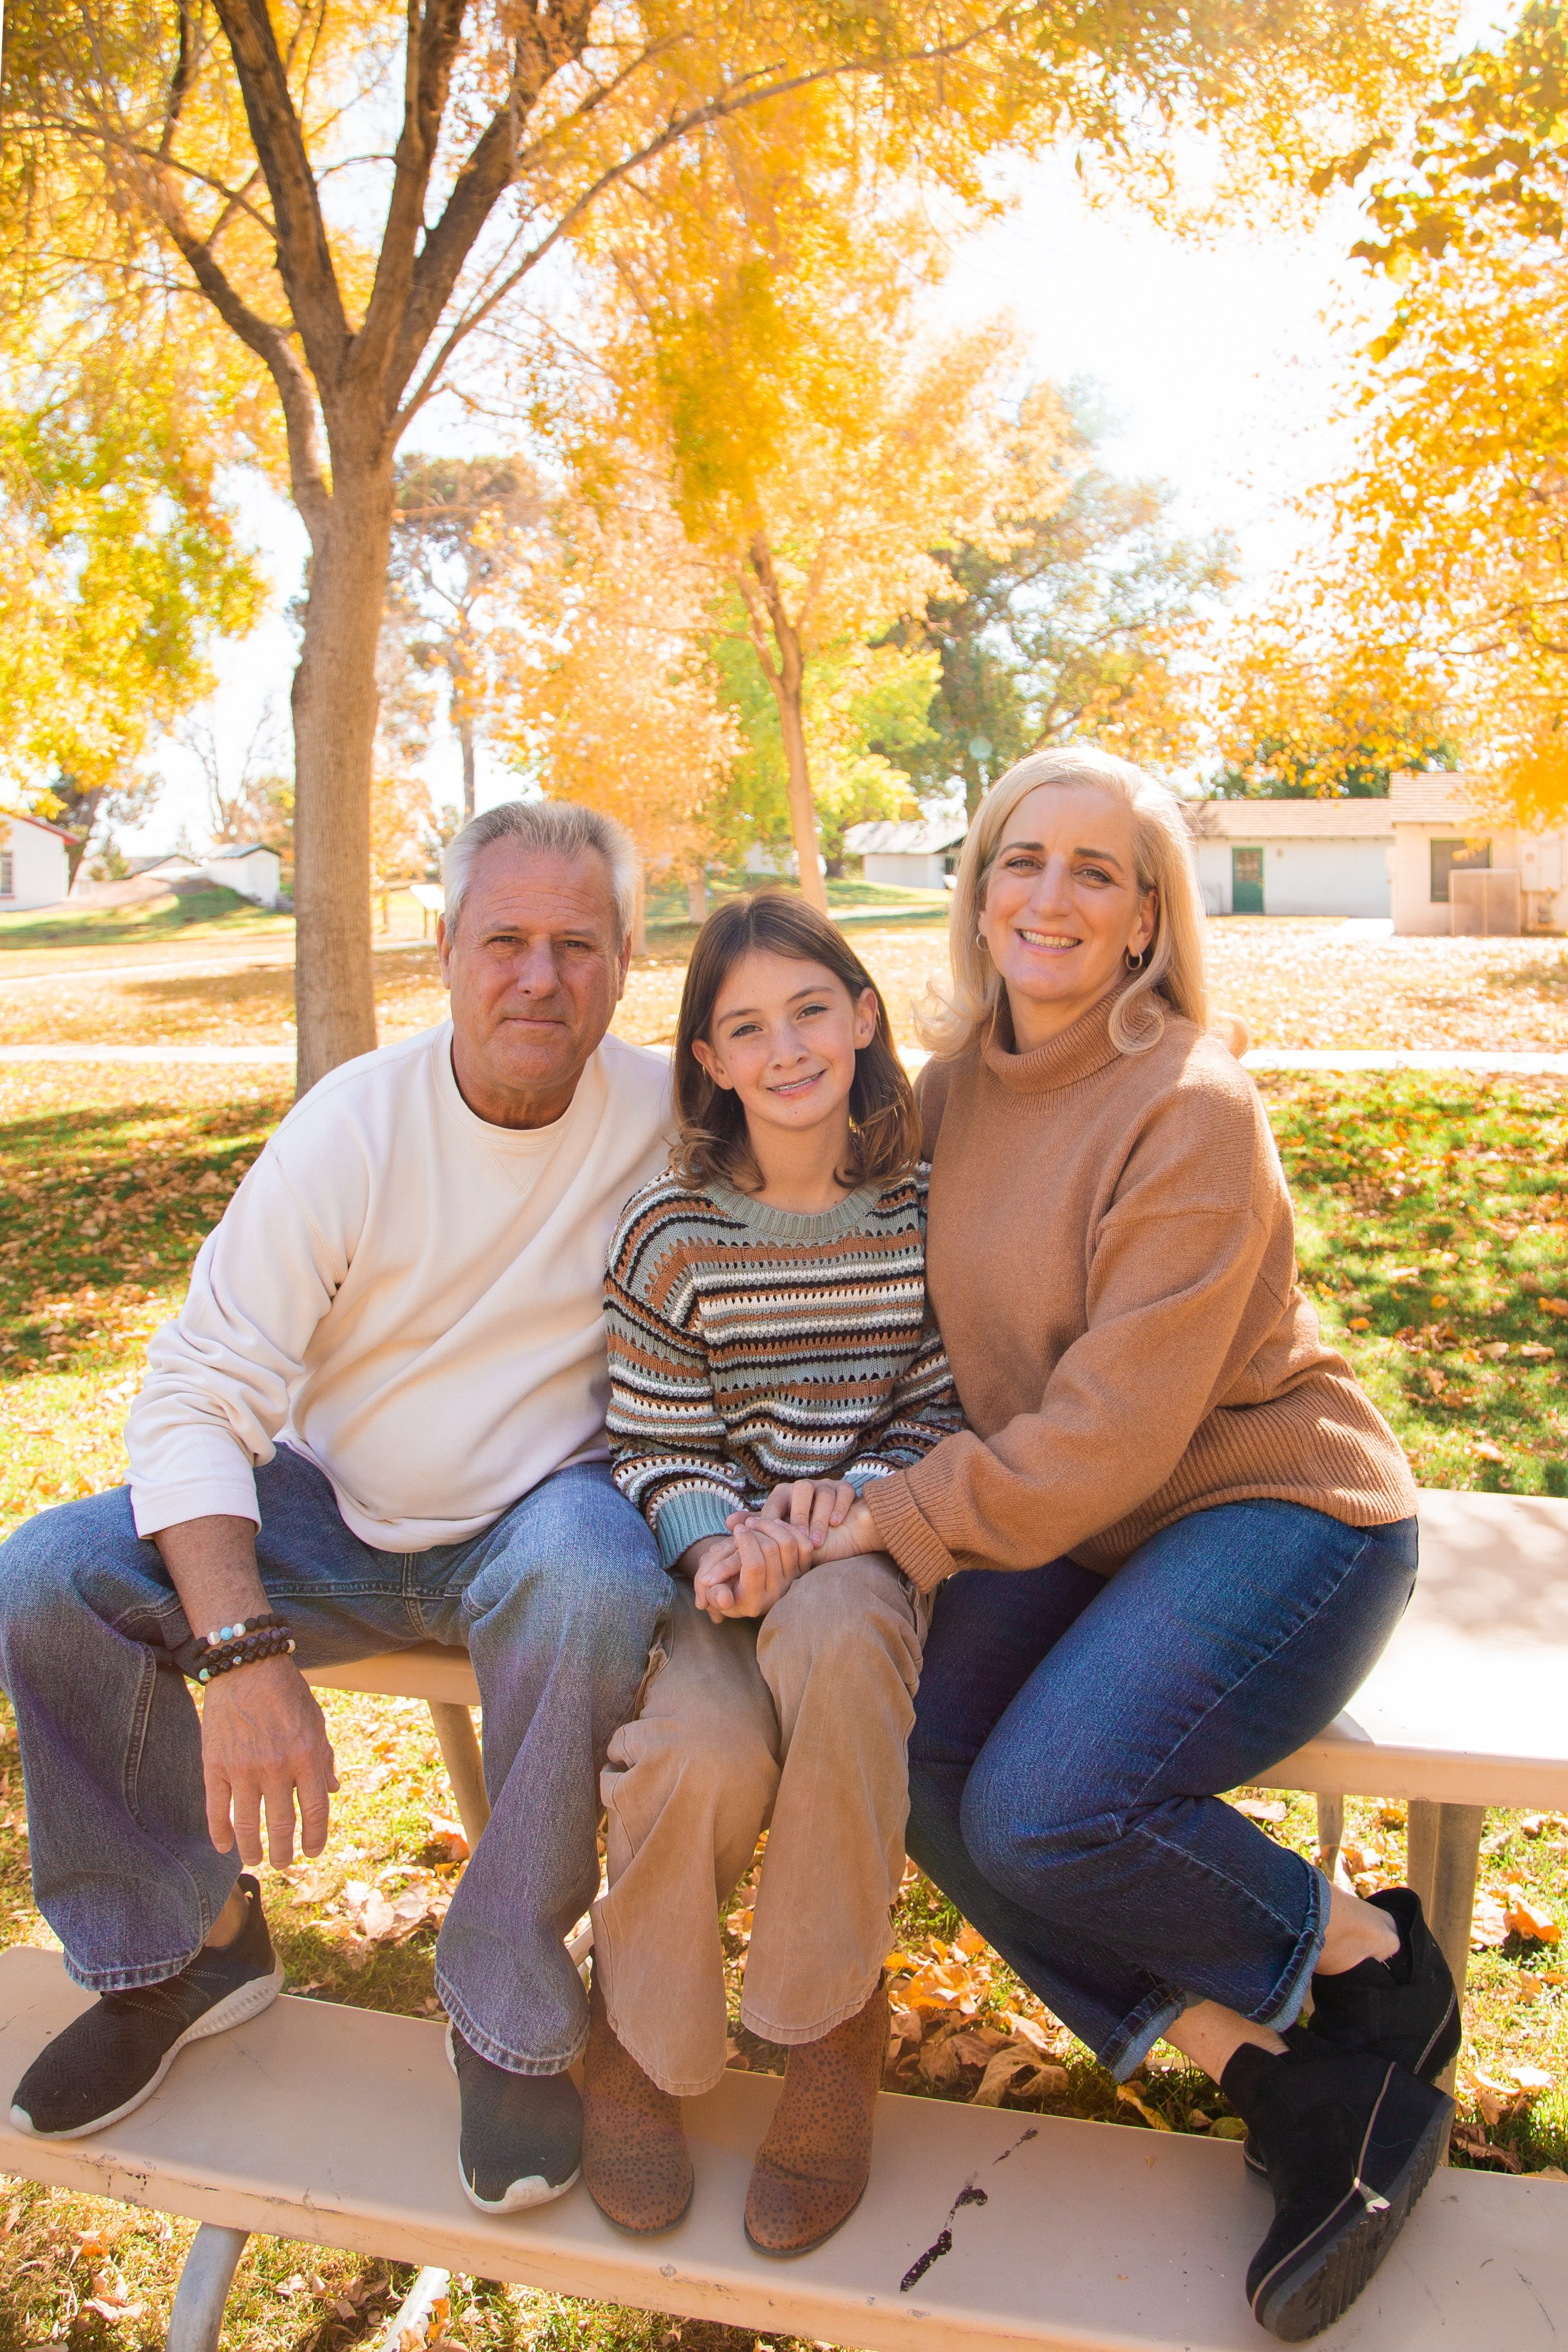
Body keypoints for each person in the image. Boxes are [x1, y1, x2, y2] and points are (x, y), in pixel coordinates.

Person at [793, 749, 1456, 2341]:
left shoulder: (1187, 1103)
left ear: (1149, 913)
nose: (1050, 895)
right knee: (913, 1766)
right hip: (1078, 1534)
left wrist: (892, 1518)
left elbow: (1107, 1436)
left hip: (1269, 1510)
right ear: (976, 887)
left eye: (1097, 870)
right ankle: (1289, 2090)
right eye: (1023, 858)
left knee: (1042, 1808)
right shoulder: (944, 1095)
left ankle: (1370, 1960)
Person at [0, 800, 675, 2218]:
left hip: (542, 1520)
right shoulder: (354, 1129)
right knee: (52, 1570)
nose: (536, 980)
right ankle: (184, 1951)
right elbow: (196, 1391)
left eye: (574, 945)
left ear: (625, 961)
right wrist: (241, 1653)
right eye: (503, 941)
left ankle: (506, 2017)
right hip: (329, 1508)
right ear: (442, 952)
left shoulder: (672, 1121)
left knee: (595, 1578)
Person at [582, 894, 962, 2254]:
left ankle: (826, 2028)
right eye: (746, 1027)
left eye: (811, 1010)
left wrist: (850, 1505)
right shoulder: (673, 1234)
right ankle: (641, 2038)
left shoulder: (926, 1214)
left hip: (866, 1556)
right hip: (719, 1569)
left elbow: (947, 1406)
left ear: (864, 1019)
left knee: (845, 1650)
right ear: (710, 1062)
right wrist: (718, 1544)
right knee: (699, 1755)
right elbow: (652, 1434)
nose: (787, 1046)